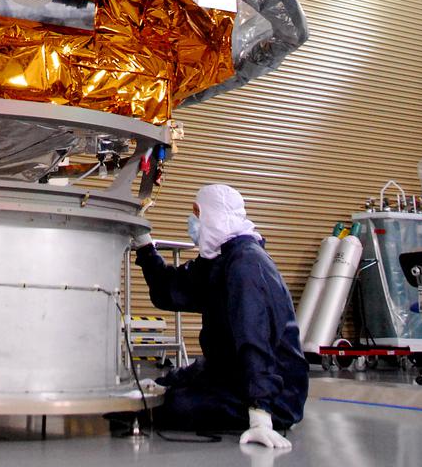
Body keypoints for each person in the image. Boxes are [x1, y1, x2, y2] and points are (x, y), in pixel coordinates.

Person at [117, 183, 308, 448]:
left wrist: (261, 414)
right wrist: (145, 247)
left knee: (169, 407)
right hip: (232, 377)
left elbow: (256, 341)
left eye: (196, 214)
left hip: (275, 396)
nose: (192, 222)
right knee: (149, 394)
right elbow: (170, 290)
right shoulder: (217, 262)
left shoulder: (246, 265)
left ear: (211, 215)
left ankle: (262, 413)